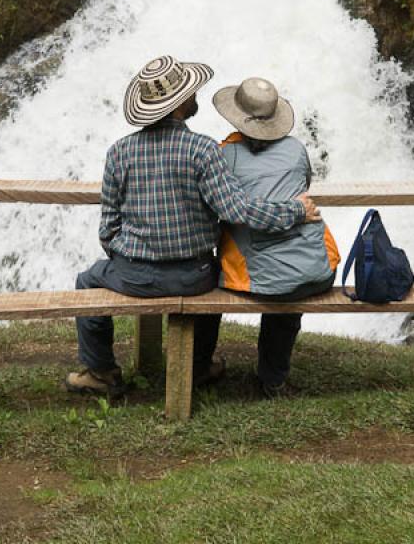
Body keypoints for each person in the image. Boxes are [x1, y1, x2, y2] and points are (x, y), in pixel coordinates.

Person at [66, 56, 321, 397]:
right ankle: (198, 366)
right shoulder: (203, 150)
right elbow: (237, 210)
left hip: (134, 275)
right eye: (190, 90)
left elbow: (108, 227)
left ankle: (100, 372)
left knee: (86, 283)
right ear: (180, 104)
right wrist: (295, 211)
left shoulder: (119, 153)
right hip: (194, 274)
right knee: (216, 276)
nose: (195, 93)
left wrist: (128, 261)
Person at [213, 76, 340, 398]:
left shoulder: (223, 155)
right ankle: (273, 379)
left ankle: (200, 366)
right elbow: (304, 186)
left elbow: (220, 207)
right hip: (317, 270)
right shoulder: (296, 149)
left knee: (205, 277)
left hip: (261, 280)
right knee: (287, 276)